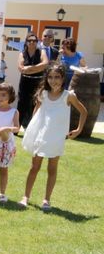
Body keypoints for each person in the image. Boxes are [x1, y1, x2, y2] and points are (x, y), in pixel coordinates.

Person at [20, 63, 86, 211]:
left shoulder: (68, 96)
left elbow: (83, 112)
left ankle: (46, 200)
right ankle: (25, 196)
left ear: (63, 78)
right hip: (41, 135)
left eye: (57, 77)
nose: (53, 80)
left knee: (52, 168)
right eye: (50, 77)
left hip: (56, 137)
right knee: (34, 167)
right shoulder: (43, 94)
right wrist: (32, 129)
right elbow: (37, 111)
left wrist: (78, 129)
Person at [17, 33, 49, 129]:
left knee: (36, 104)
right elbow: (21, 68)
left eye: (34, 41)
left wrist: (29, 68)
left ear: (37, 42)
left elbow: (45, 64)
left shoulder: (41, 52)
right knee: (22, 104)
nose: (32, 42)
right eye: (29, 40)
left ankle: (33, 128)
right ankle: (16, 128)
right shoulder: (22, 53)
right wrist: (37, 69)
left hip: (37, 82)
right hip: (25, 82)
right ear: (26, 42)